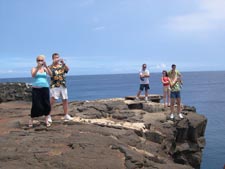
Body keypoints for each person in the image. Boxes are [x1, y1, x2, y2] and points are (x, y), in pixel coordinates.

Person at [48, 53, 73, 122]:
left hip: (63, 85)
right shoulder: (50, 67)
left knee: (65, 100)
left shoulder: (62, 66)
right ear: (53, 58)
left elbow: (68, 69)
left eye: (58, 57)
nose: (57, 59)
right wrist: (53, 63)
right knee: (52, 100)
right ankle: (48, 115)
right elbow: (48, 73)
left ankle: (66, 115)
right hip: (54, 85)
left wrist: (63, 63)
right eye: (55, 57)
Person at [30, 55, 52, 127]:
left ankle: (46, 120)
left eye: (41, 60)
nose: (40, 61)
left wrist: (46, 66)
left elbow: (51, 74)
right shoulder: (34, 68)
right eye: (39, 60)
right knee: (36, 104)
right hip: (36, 88)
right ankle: (31, 120)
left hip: (45, 87)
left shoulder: (45, 69)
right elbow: (33, 75)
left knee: (46, 104)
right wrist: (38, 68)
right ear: (36, 61)